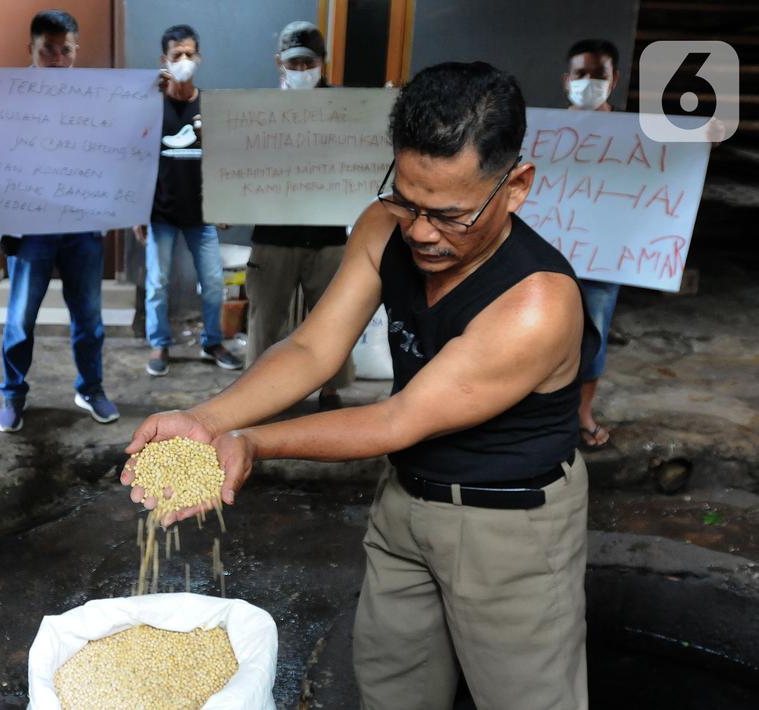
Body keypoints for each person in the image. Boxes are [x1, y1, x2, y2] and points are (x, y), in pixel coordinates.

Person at [124, 62, 600, 709]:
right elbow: (313, 348)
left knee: (524, 700)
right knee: (390, 685)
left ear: (514, 187)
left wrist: (251, 443)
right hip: (405, 501)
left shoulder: (537, 304)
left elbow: (394, 419)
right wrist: (204, 420)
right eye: (407, 199)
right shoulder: (383, 226)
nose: (421, 232)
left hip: (508, 528)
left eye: (449, 214)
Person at [0, 10, 120, 432]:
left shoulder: (97, 98)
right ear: (29, 49)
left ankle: (91, 389)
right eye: (47, 50)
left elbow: (126, 136)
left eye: (66, 50)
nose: (57, 59)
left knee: (88, 317)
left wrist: (151, 96)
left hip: (82, 225)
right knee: (19, 320)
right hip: (29, 228)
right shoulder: (5, 95)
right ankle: (13, 395)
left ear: (76, 50)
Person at [246, 21, 354, 411]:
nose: (302, 68)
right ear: (279, 63)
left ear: (323, 63)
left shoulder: (348, 112)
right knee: (264, 319)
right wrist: (226, 203)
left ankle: (330, 388)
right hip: (273, 234)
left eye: (310, 61)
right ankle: (257, 393)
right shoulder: (254, 115)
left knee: (333, 318)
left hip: (327, 235)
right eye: (295, 62)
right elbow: (238, 166)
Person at [132, 24, 243, 377]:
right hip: (160, 213)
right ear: (163, 59)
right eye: (176, 54)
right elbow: (137, 157)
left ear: (199, 58)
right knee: (157, 283)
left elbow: (224, 158)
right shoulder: (151, 106)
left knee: (212, 281)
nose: (183, 60)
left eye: (189, 54)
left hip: (202, 213)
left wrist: (225, 203)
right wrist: (136, 210)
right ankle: (159, 343)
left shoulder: (210, 106)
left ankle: (212, 341)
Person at [563, 38, 623, 450]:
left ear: (613, 80)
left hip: (603, 260)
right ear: (566, 79)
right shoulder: (540, 129)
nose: (588, 82)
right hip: (546, 254)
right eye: (580, 74)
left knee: (594, 338)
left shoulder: (633, 137)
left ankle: (582, 414)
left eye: (598, 75)